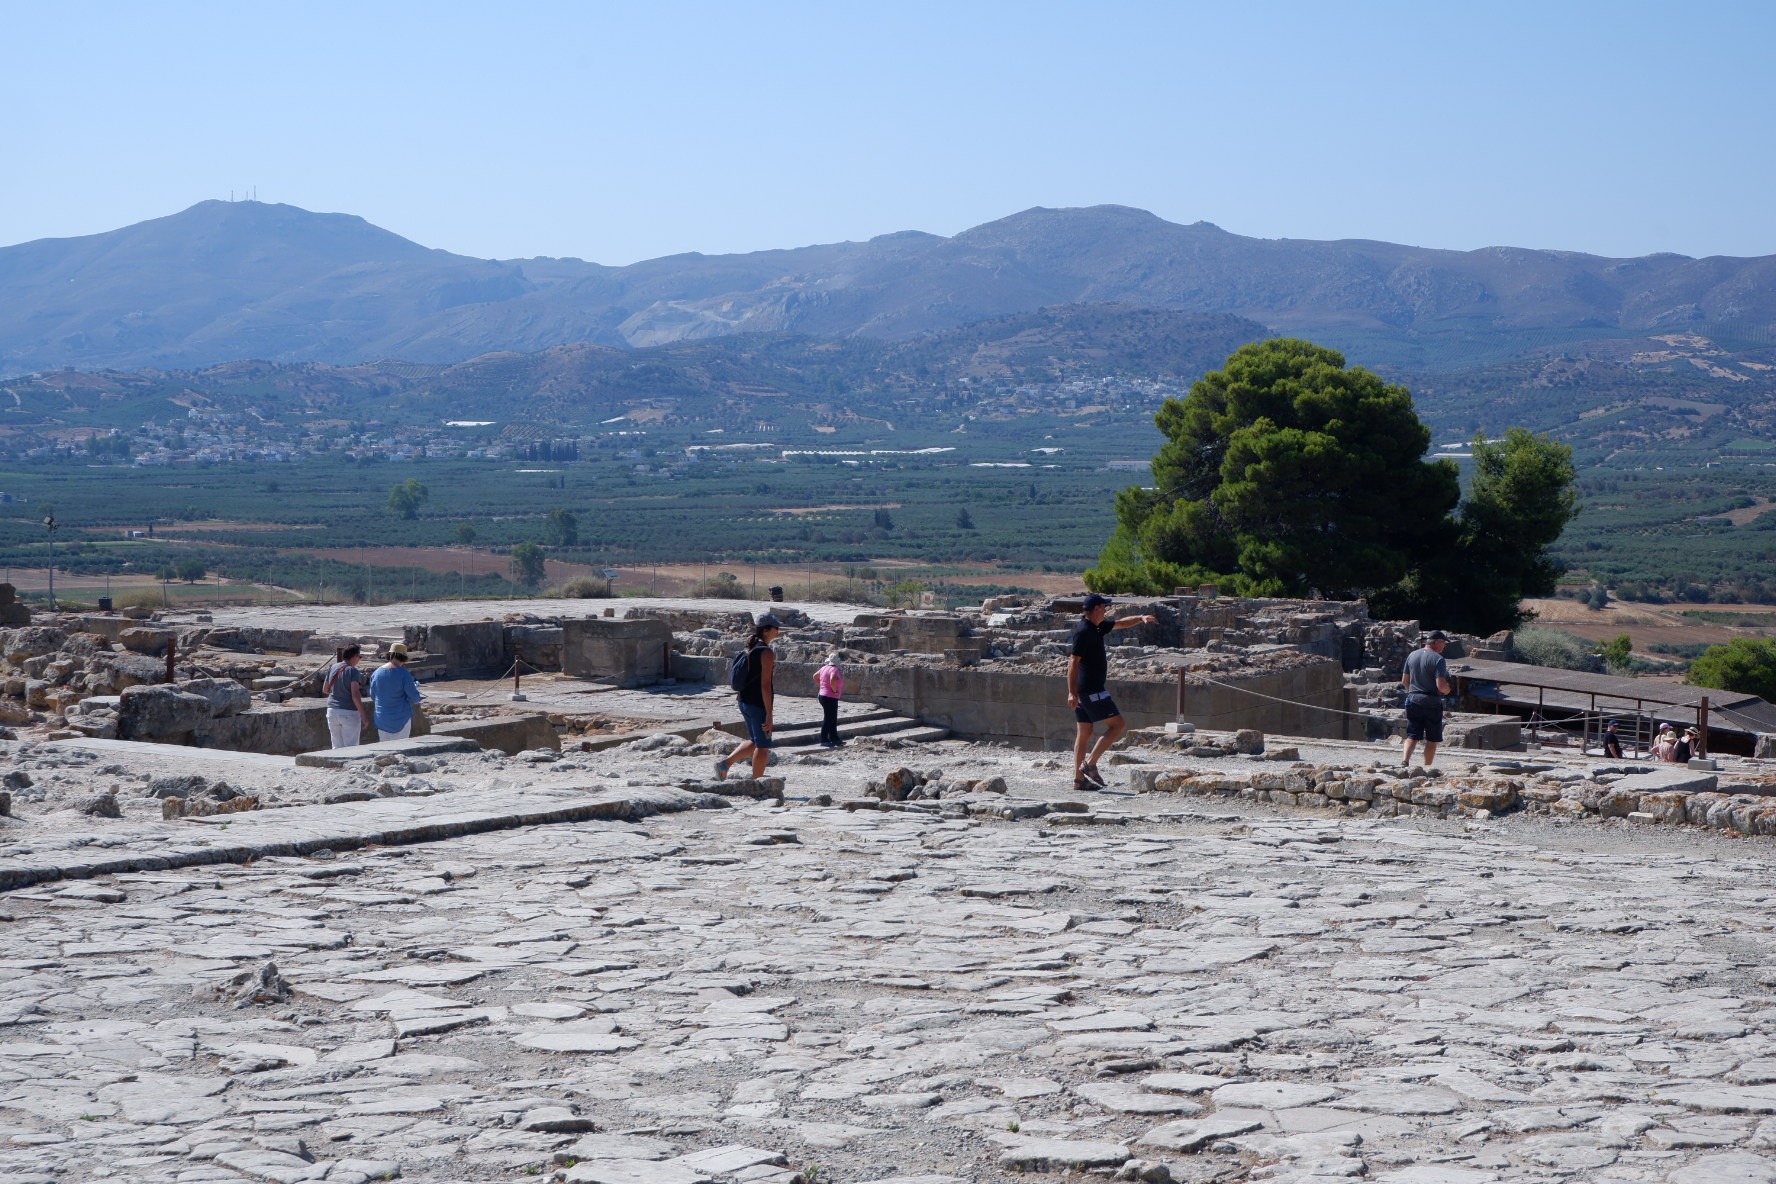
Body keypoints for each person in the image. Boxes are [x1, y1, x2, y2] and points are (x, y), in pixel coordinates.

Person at [1068, 593, 1159, 791]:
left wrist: (1140, 618)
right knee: (1117, 725)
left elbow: (1120, 624)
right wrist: (1071, 692)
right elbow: (1073, 662)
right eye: (1104, 607)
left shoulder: (1097, 627)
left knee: (1084, 732)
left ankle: (1078, 779)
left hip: (1087, 690)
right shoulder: (1084, 631)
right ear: (1096, 609)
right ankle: (1089, 763)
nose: (1107, 610)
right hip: (1091, 690)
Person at [717, 613, 782, 781]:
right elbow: (765, 685)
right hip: (757, 703)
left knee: (754, 741)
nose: (778, 630)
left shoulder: (750, 647)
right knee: (763, 746)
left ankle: (725, 764)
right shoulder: (766, 653)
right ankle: (757, 783)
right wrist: (769, 713)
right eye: (776, 627)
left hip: (744, 701)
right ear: (767, 630)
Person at [1400, 630, 1453, 767]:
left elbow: (1405, 681)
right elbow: (1440, 686)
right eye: (1444, 643)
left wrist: (1411, 693)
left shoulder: (1412, 655)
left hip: (1413, 699)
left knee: (1412, 735)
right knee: (1432, 739)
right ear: (1437, 642)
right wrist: (1448, 690)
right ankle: (1427, 767)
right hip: (1431, 703)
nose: (1444, 647)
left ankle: (1405, 761)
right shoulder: (1438, 659)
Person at [367, 642, 425, 742]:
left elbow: (373, 696)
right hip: (401, 719)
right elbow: (415, 698)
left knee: (385, 750)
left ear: (390, 655)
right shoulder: (404, 674)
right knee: (401, 749)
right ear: (403, 658)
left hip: (382, 719)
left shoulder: (376, 673)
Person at [323, 644, 371, 749]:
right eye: (359, 656)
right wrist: (364, 716)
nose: (359, 659)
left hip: (332, 711)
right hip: (348, 712)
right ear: (354, 656)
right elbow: (355, 695)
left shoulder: (333, 667)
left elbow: (325, 690)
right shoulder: (352, 671)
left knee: (336, 746)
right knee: (351, 747)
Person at [816, 652, 844, 748]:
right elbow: (832, 679)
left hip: (823, 695)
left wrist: (822, 687)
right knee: (829, 718)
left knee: (832, 718)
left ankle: (834, 738)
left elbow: (815, 676)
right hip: (830, 697)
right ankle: (824, 739)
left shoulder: (824, 668)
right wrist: (835, 690)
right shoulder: (834, 670)